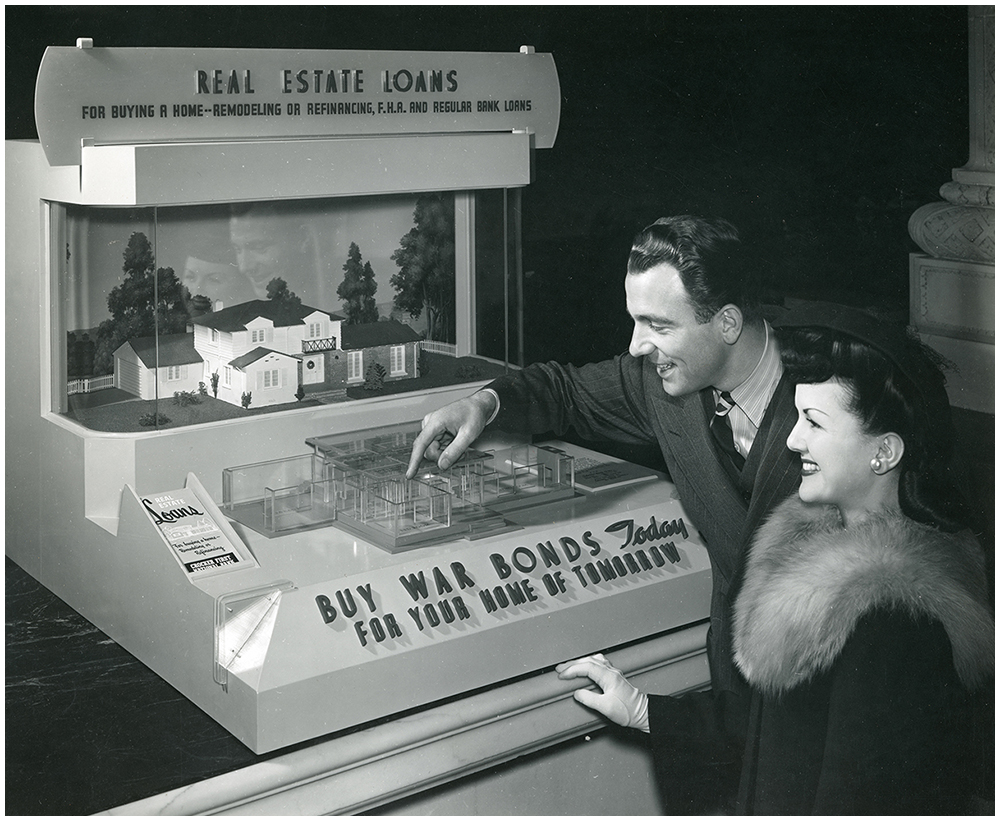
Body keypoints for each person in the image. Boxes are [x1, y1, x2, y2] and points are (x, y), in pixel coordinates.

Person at [555, 303, 994, 814]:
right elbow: (765, 732)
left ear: (885, 452)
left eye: (814, 423)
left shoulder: (896, 620)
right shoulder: (824, 554)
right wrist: (640, 710)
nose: (792, 438)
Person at [407, 215, 802, 700]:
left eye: (658, 325)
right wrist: (483, 404)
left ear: (727, 323)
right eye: (635, 320)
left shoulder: (841, 398)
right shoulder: (657, 383)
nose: (636, 346)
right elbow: (565, 390)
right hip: (736, 686)